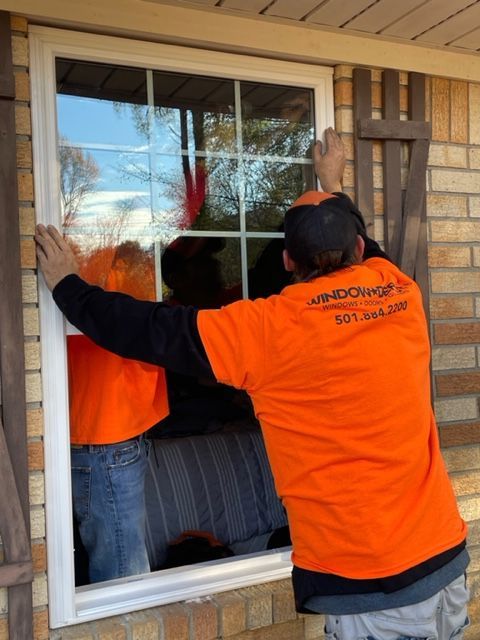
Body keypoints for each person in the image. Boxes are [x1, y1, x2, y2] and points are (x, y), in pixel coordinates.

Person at [36, 128, 469, 639]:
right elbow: (367, 245)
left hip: (373, 585)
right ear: (358, 248)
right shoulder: (400, 293)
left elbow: (150, 331)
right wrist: (331, 182)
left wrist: (68, 286)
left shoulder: (269, 329)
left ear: (288, 263)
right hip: (447, 563)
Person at [67, 241, 169, 584]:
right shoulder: (97, 263)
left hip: (112, 432)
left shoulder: (101, 262)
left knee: (121, 570)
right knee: (124, 582)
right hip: (105, 438)